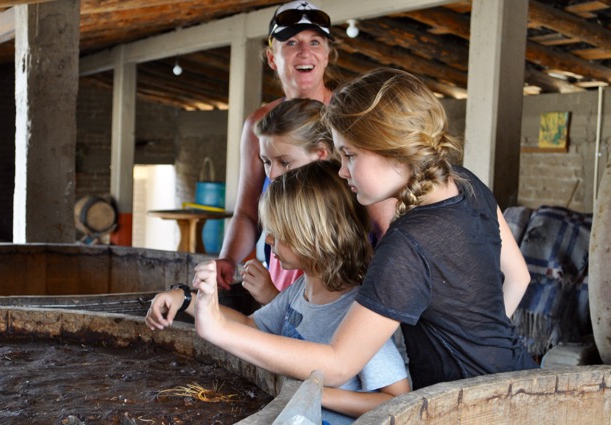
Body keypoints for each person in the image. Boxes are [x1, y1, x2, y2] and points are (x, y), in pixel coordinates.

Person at [192, 68, 538, 392]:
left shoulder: (406, 243)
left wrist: (220, 330)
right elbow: (518, 277)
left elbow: (338, 364)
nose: (342, 171)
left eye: (350, 155)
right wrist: (476, 344)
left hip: (464, 405)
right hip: (517, 378)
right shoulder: (465, 182)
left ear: (393, 150)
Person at [146, 160, 411, 424]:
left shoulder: (358, 312)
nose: (269, 240)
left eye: (278, 232)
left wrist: (315, 394)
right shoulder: (300, 290)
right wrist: (187, 299)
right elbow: (251, 325)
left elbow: (396, 398)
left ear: (315, 235)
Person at [215, 0, 337, 291]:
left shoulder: (350, 114)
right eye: (291, 42)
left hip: (339, 268)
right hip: (283, 269)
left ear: (327, 55)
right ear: (272, 58)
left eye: (315, 42)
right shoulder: (260, 124)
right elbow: (248, 212)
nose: (305, 51)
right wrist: (228, 258)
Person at [242, 97, 333, 305]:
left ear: (321, 155)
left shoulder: (328, 223)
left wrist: (271, 297)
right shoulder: (281, 205)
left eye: (284, 162)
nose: (272, 174)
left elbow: (317, 314)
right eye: (266, 161)